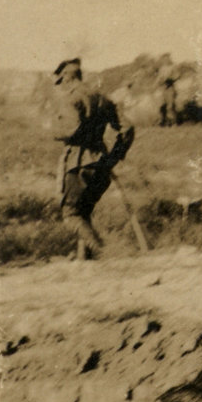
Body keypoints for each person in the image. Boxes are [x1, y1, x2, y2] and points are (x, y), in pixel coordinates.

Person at [50, 58, 135, 260]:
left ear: (67, 77)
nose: (62, 86)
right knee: (84, 211)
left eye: (62, 81)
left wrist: (54, 131)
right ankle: (85, 259)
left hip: (78, 164)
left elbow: (70, 129)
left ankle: (103, 252)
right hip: (101, 165)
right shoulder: (102, 98)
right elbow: (127, 128)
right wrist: (114, 156)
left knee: (71, 215)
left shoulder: (71, 98)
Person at [157, 54, 179, 126]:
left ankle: (173, 122)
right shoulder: (161, 69)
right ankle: (164, 121)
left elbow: (177, 76)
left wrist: (170, 79)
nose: (166, 60)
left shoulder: (173, 67)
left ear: (169, 59)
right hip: (163, 89)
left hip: (170, 88)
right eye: (164, 59)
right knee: (162, 105)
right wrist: (160, 81)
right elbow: (159, 79)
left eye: (167, 58)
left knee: (170, 106)